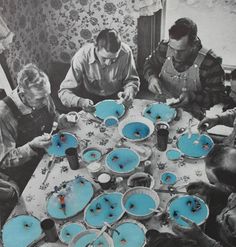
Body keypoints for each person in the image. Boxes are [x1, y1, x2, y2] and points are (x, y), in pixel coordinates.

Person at [0, 63, 71, 225]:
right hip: (25, 172)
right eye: (40, 98)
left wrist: (59, 119)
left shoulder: (42, 94)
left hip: (49, 155)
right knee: (45, 216)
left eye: (48, 95)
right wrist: (31, 146)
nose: (46, 100)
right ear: (23, 94)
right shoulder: (4, 114)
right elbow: (4, 160)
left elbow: (52, 113)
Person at [143, 17, 227, 119]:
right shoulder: (164, 47)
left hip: (193, 112)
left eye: (181, 51)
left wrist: (193, 96)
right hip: (163, 105)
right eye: (172, 48)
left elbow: (218, 95)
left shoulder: (211, 62)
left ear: (194, 45)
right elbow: (149, 64)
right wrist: (151, 77)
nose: (175, 55)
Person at [58, 28, 140, 112]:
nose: (108, 63)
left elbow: (132, 80)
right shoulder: (81, 57)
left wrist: (129, 91)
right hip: (90, 99)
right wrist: (80, 101)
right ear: (95, 47)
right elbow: (64, 92)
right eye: (104, 58)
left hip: (116, 97)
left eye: (114, 59)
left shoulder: (126, 53)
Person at [172, 144, 236, 247]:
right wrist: (211, 189)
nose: (210, 183)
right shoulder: (232, 185)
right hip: (220, 224)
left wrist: (200, 237)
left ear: (227, 186)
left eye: (212, 182)